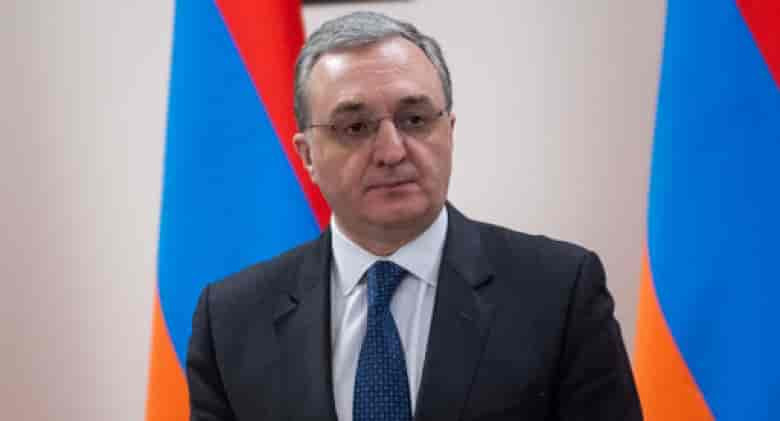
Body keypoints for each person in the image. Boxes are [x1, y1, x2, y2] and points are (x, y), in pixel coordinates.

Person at [186, 11, 642, 421]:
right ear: (307, 156)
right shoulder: (231, 320)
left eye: (415, 120)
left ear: (450, 131)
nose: (391, 151)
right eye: (355, 127)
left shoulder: (559, 292)